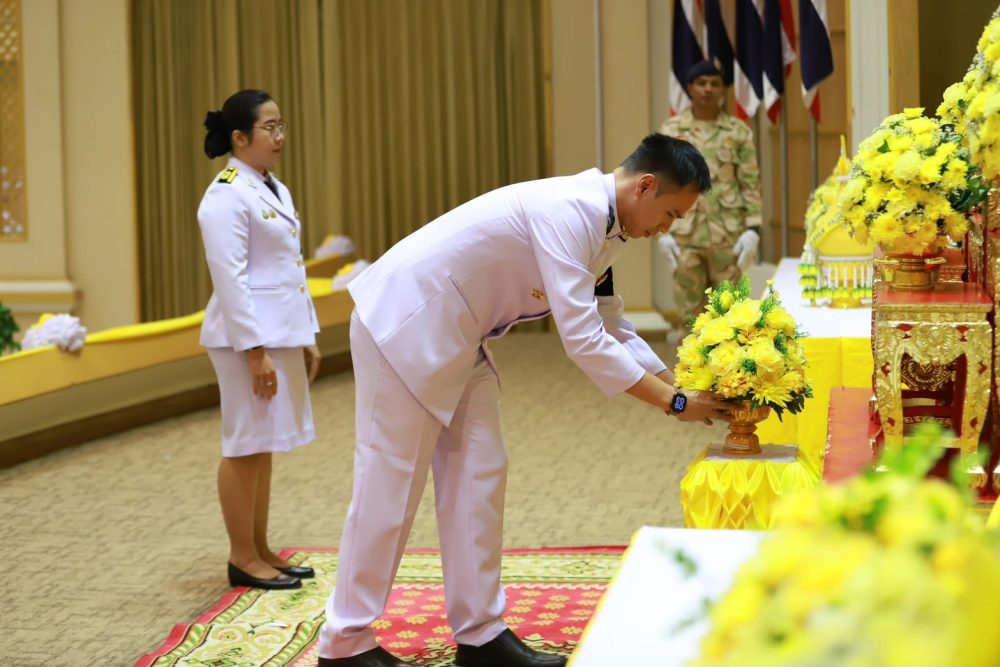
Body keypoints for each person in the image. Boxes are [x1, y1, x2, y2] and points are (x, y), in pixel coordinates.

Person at [317, 134, 732, 667]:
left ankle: (481, 635)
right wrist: (674, 404)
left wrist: (679, 386)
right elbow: (583, 340)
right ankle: (344, 642)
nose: (666, 229)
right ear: (646, 186)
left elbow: (610, 323)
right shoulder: (572, 211)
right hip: (404, 322)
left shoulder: (607, 226)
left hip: (460, 335)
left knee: (480, 473)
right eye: (671, 214)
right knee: (389, 485)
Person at [199, 89, 322, 590]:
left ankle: (261, 547)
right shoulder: (225, 195)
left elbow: (289, 267)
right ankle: (242, 557)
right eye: (269, 127)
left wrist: (306, 334)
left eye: (280, 125)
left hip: (278, 333)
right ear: (239, 137)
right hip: (244, 340)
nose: (279, 136)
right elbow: (230, 278)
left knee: (263, 444)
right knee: (245, 443)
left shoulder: (273, 187)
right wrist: (254, 353)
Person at [657, 59, 764, 326]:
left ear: (722, 90)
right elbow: (662, 185)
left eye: (715, 84)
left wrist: (754, 230)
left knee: (732, 318)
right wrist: (662, 231)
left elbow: (750, 182)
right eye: (701, 83)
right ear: (690, 88)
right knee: (689, 319)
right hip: (685, 236)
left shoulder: (737, 132)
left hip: (728, 237)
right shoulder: (672, 131)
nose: (708, 89)